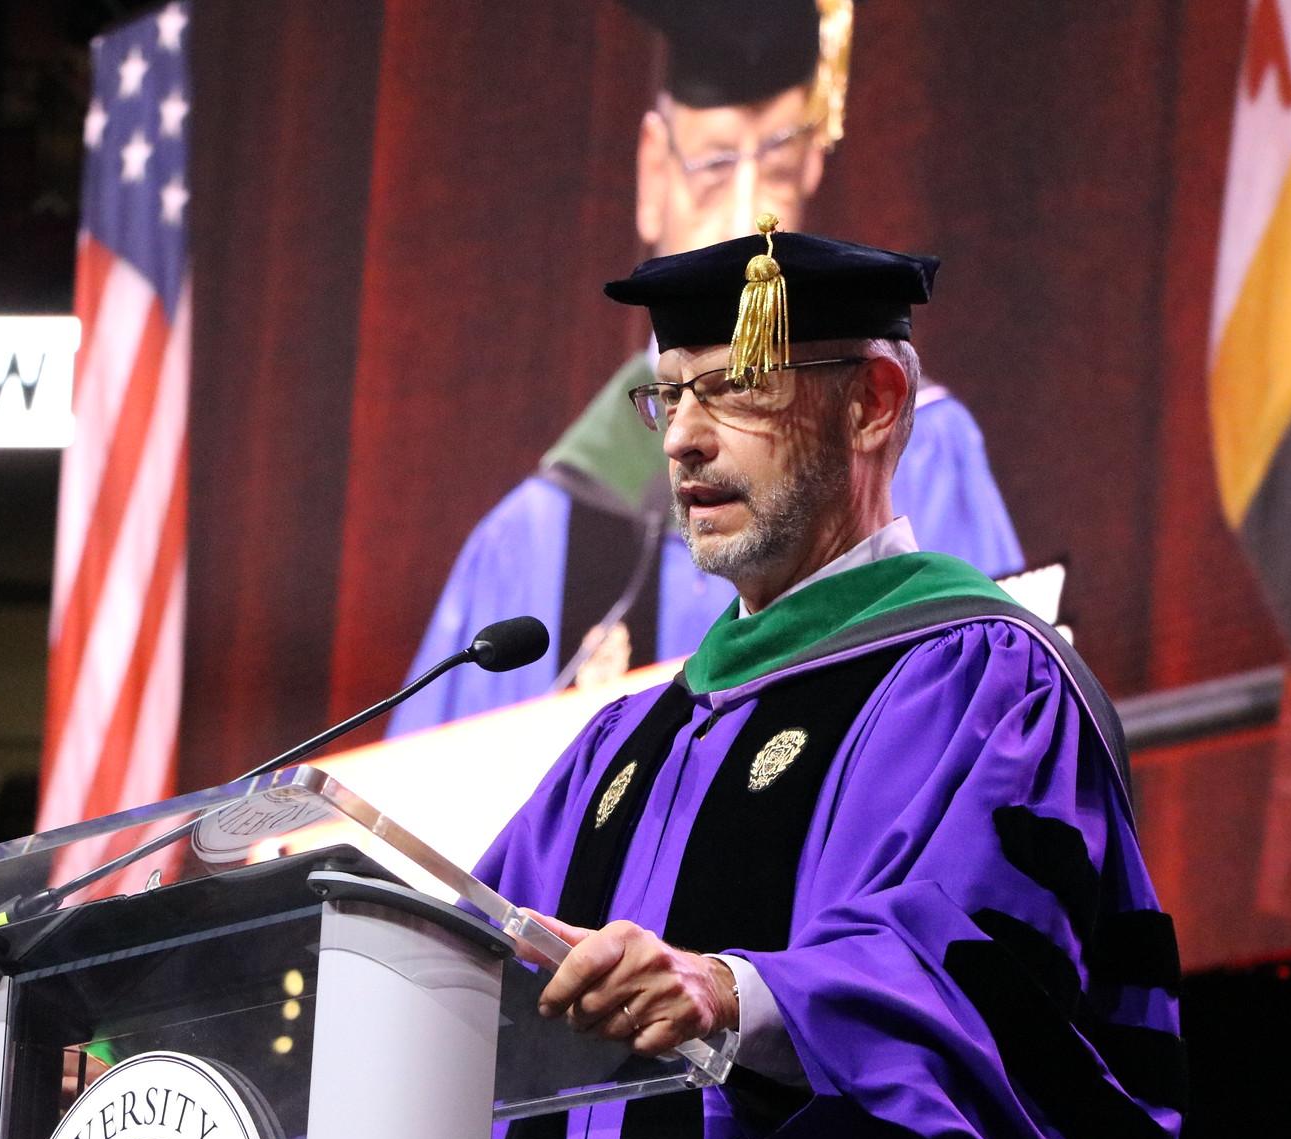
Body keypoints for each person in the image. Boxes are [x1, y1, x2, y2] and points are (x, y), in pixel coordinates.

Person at [472, 223, 1180, 1139]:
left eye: (735, 391)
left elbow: (983, 991)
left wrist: (739, 996)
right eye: (668, 399)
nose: (686, 442)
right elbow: (464, 959)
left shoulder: (983, 684)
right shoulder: (619, 745)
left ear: (875, 403)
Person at [391, 0, 1022, 735]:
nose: (755, 215)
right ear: (653, 172)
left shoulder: (915, 448)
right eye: (716, 167)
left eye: (781, 168)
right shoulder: (534, 536)